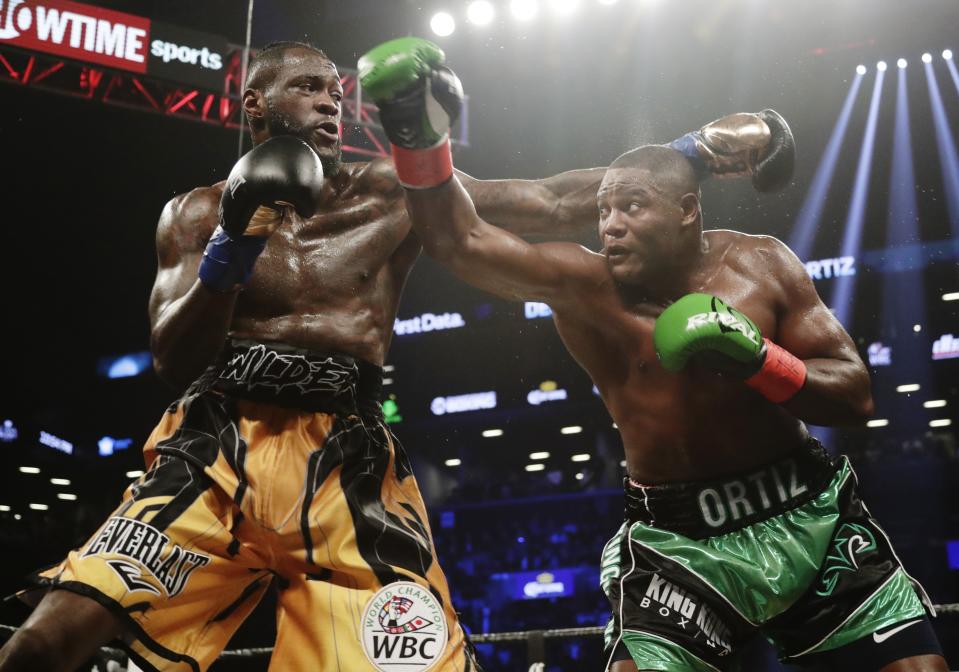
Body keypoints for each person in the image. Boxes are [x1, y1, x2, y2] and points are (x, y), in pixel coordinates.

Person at [0, 39, 792, 672]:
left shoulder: (390, 191)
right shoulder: (197, 211)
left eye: (337, 94)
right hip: (211, 449)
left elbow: (551, 200)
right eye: (309, 88)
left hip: (346, 464)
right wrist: (233, 241)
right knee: (44, 643)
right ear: (256, 102)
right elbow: (173, 355)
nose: (328, 105)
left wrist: (692, 151)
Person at [366, 44, 949, 672]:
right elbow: (459, 237)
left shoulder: (761, 263)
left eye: (633, 207)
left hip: (810, 514)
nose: (609, 225)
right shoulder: (585, 288)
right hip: (677, 543)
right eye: (604, 211)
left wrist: (757, 359)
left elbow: (856, 395)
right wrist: (415, 133)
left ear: (688, 210)